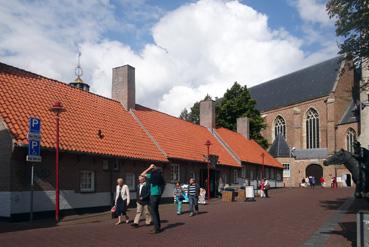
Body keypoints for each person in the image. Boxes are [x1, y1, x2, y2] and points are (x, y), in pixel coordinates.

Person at [141, 164, 165, 234]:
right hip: (158, 196)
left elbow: (142, 174)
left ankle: (156, 228)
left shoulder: (152, 176)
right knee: (156, 211)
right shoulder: (161, 177)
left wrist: (149, 168)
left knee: (153, 212)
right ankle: (158, 227)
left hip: (153, 196)